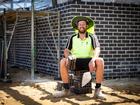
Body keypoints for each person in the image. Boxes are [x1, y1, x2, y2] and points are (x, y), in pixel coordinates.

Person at [53, 16, 106, 99]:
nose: (82, 26)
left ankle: (97, 90)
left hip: (89, 62)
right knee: (63, 61)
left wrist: (93, 59)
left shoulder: (92, 36)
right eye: (80, 24)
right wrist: (67, 57)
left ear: (87, 26)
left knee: (100, 61)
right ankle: (66, 90)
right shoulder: (72, 37)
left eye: (84, 24)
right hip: (75, 62)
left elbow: (97, 49)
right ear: (77, 26)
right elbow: (66, 50)